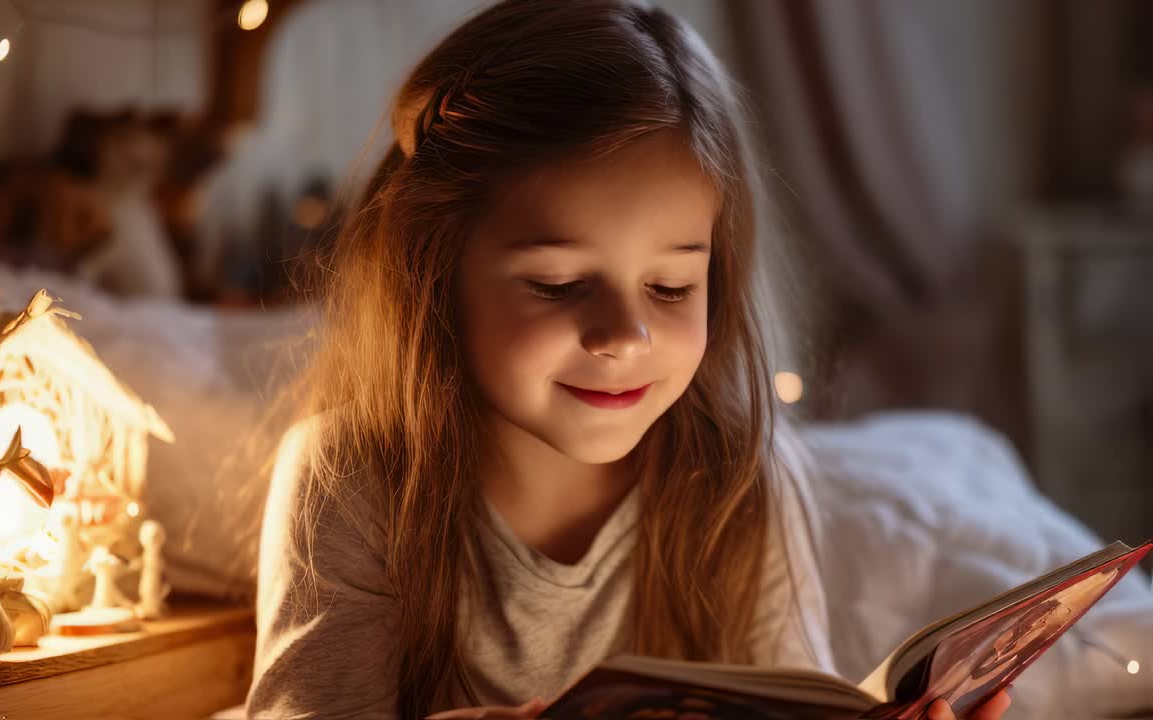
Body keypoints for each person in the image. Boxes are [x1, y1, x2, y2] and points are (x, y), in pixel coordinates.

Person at [248, 2, 1012, 719]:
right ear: (433, 271)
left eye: (671, 287)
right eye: (559, 284)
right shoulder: (350, 474)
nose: (625, 336)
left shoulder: (741, 479)